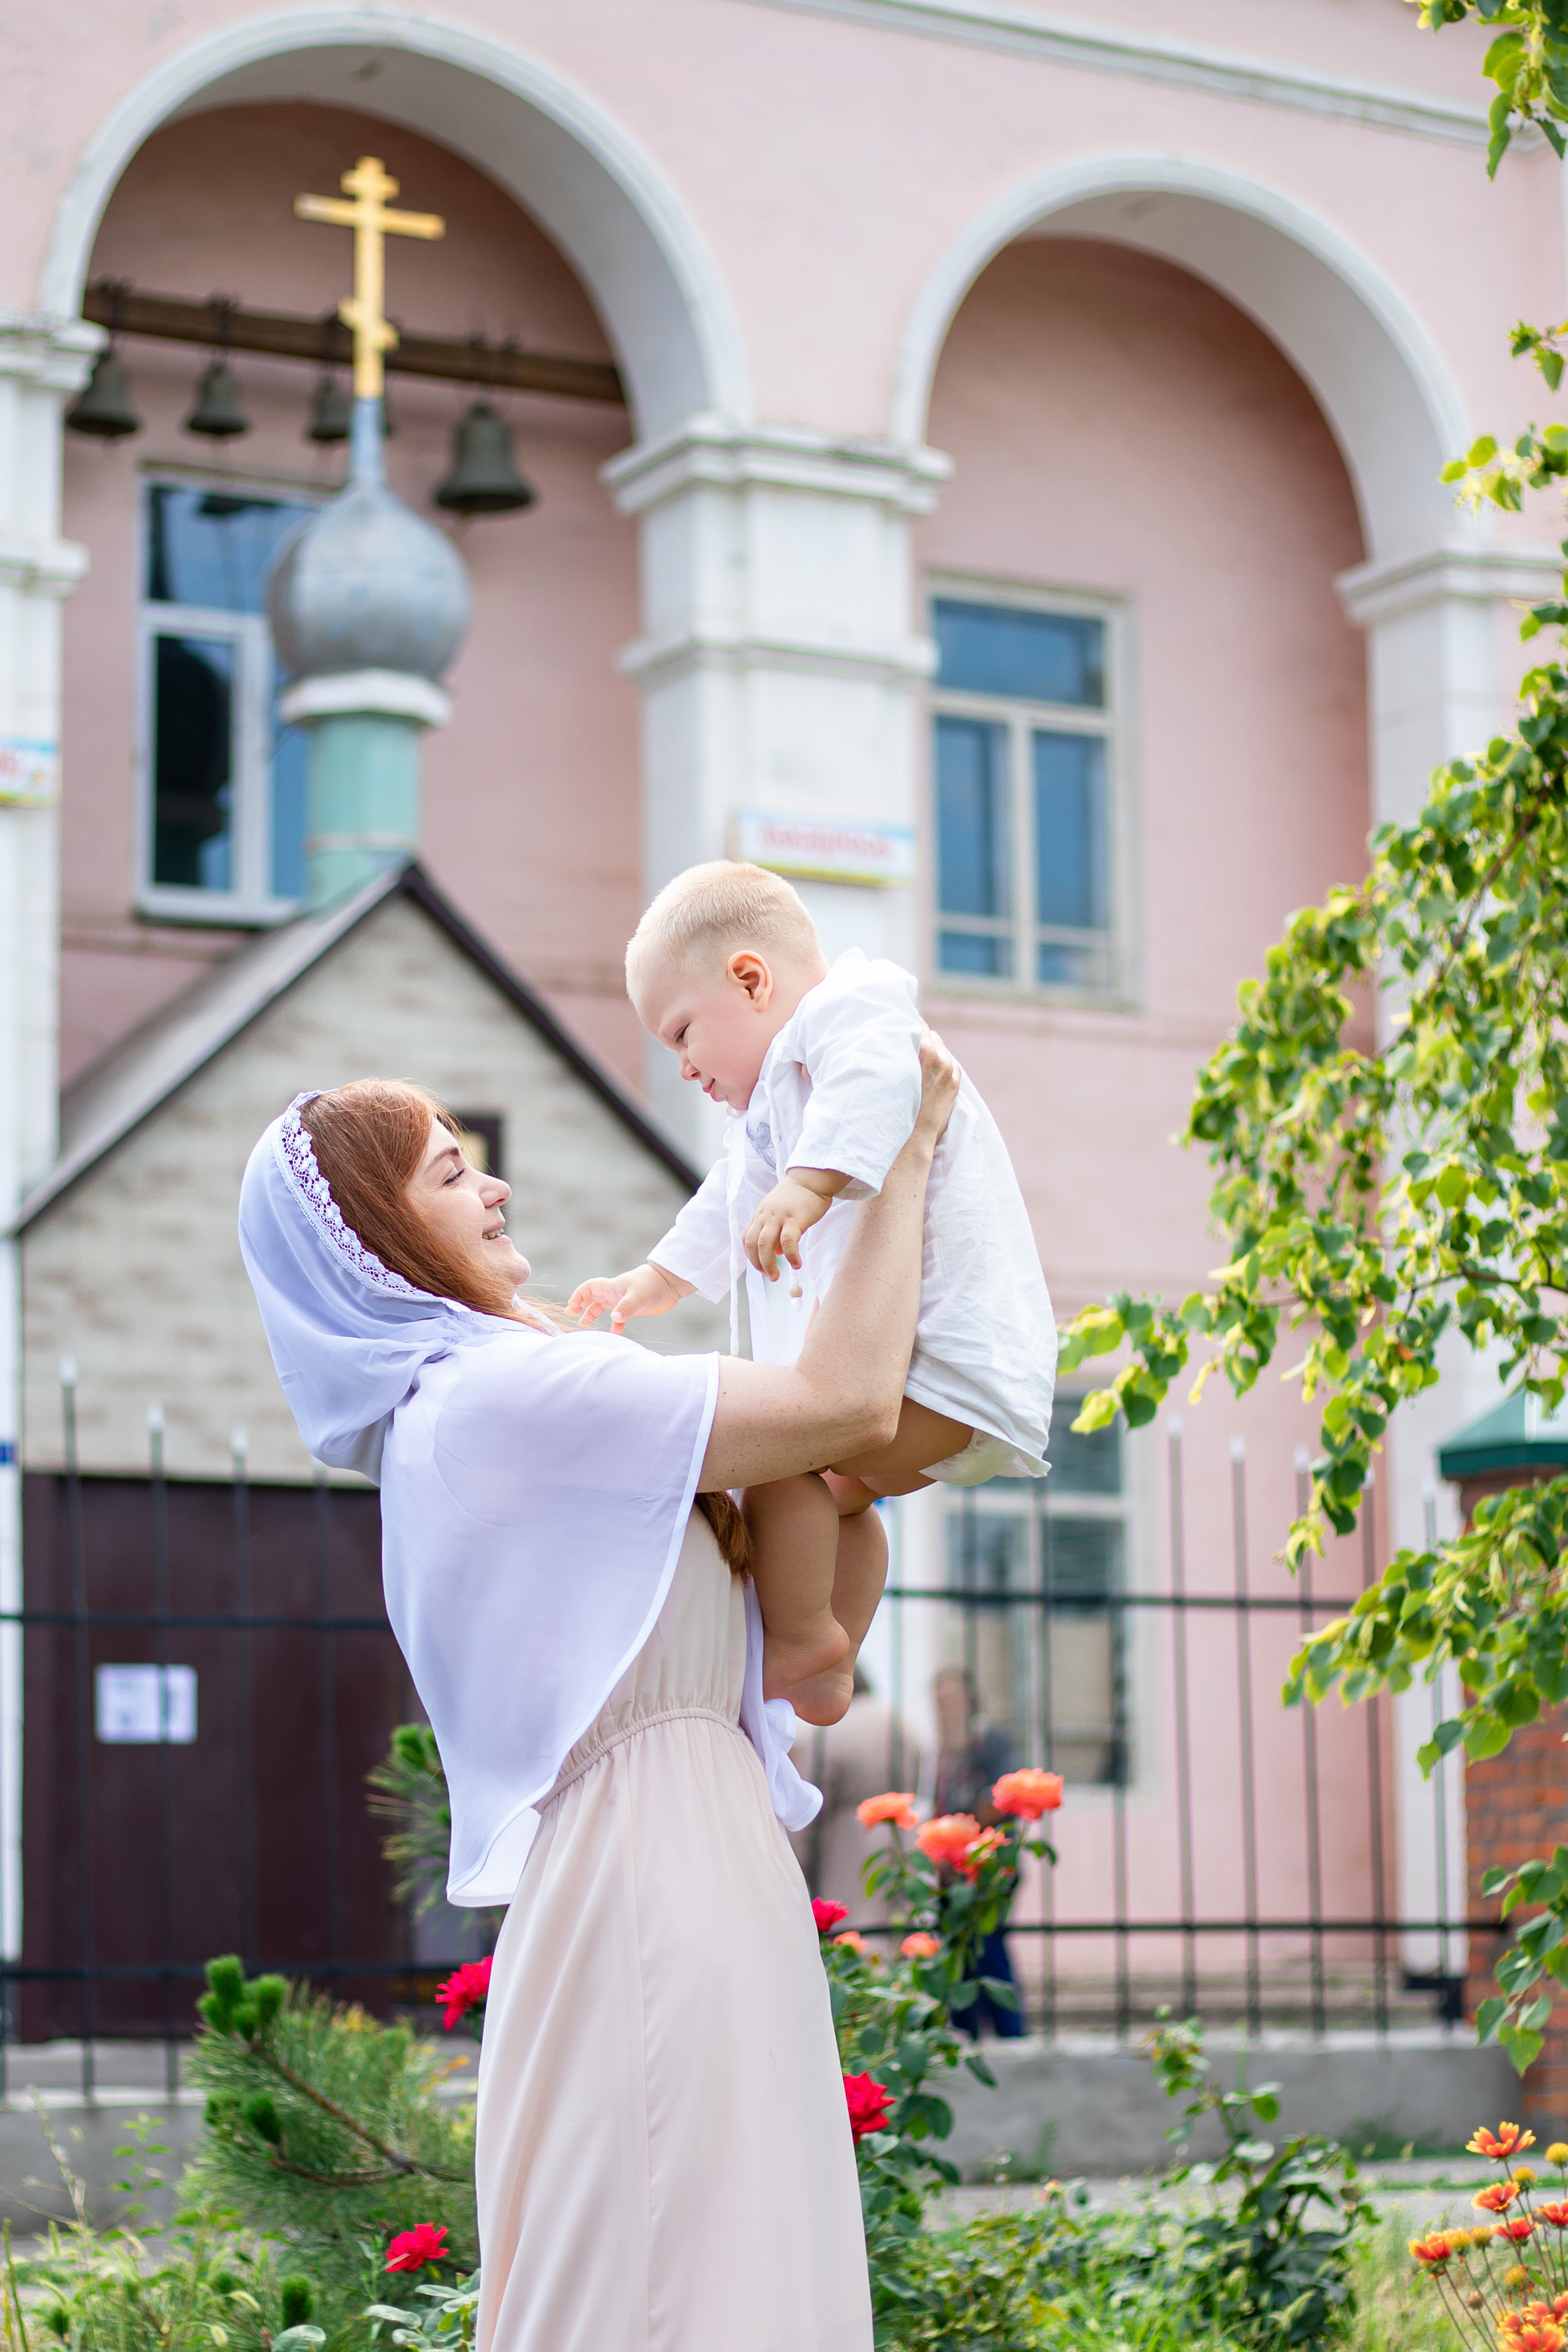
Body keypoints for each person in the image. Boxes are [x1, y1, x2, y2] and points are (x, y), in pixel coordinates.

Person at [238, 1044, 960, 2352]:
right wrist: (896, 1159)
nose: (496, 1188)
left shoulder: (491, 1400)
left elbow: (813, 1585)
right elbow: (843, 1404)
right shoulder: (506, 1395)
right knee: (676, 2275)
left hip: (699, 1857)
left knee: (722, 2262)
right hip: (653, 1883)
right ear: (385, 1234)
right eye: (453, 1173)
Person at [569, 862, 1057, 1727]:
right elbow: (726, 1204)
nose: (682, 1065)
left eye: (682, 1033)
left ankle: (800, 1638)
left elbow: (879, 1089)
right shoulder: (766, 1110)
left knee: (781, 1455)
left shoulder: (853, 1014)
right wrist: (658, 1279)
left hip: (940, 1356)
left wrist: (807, 1187)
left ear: (751, 979)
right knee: (841, 1493)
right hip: (927, 1379)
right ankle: (831, 1650)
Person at [790, 1665, 925, 1927]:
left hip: (847, 1845)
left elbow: (807, 1803)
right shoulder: (901, 1724)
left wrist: (799, 1865)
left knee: (856, 1930)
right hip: (902, 1836)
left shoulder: (833, 1731)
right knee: (898, 1928)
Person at [932, 1665, 1026, 2039]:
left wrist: (960, 1830)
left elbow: (1002, 1800)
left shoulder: (992, 1743)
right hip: (952, 1876)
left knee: (991, 1951)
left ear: (971, 1701)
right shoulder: (944, 1753)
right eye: (939, 1703)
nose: (945, 1710)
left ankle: (1012, 2034)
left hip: (988, 1871)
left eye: (952, 1701)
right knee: (959, 1956)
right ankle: (967, 2032)